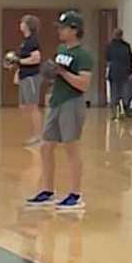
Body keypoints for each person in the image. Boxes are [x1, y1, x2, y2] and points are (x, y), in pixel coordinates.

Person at [27, 11, 93, 211]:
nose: (59, 31)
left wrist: (63, 73)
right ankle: (47, 190)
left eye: (63, 28)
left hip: (72, 103)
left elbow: (83, 84)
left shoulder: (83, 55)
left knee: (71, 148)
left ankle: (75, 194)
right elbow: (57, 75)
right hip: (56, 101)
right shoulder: (61, 49)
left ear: (75, 30)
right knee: (46, 147)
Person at [12, 15, 43, 146]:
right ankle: (34, 134)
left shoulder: (33, 40)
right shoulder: (25, 41)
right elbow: (23, 60)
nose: (20, 24)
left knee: (33, 106)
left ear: (28, 25)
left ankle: (39, 137)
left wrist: (19, 61)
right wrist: (17, 71)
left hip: (31, 77)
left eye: (22, 22)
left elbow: (36, 59)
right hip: (24, 76)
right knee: (24, 107)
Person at [105, 28, 132, 119]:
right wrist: (130, 72)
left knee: (116, 94)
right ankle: (123, 112)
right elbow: (130, 60)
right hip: (123, 73)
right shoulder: (126, 46)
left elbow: (108, 58)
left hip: (115, 73)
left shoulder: (110, 46)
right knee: (124, 94)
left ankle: (115, 114)